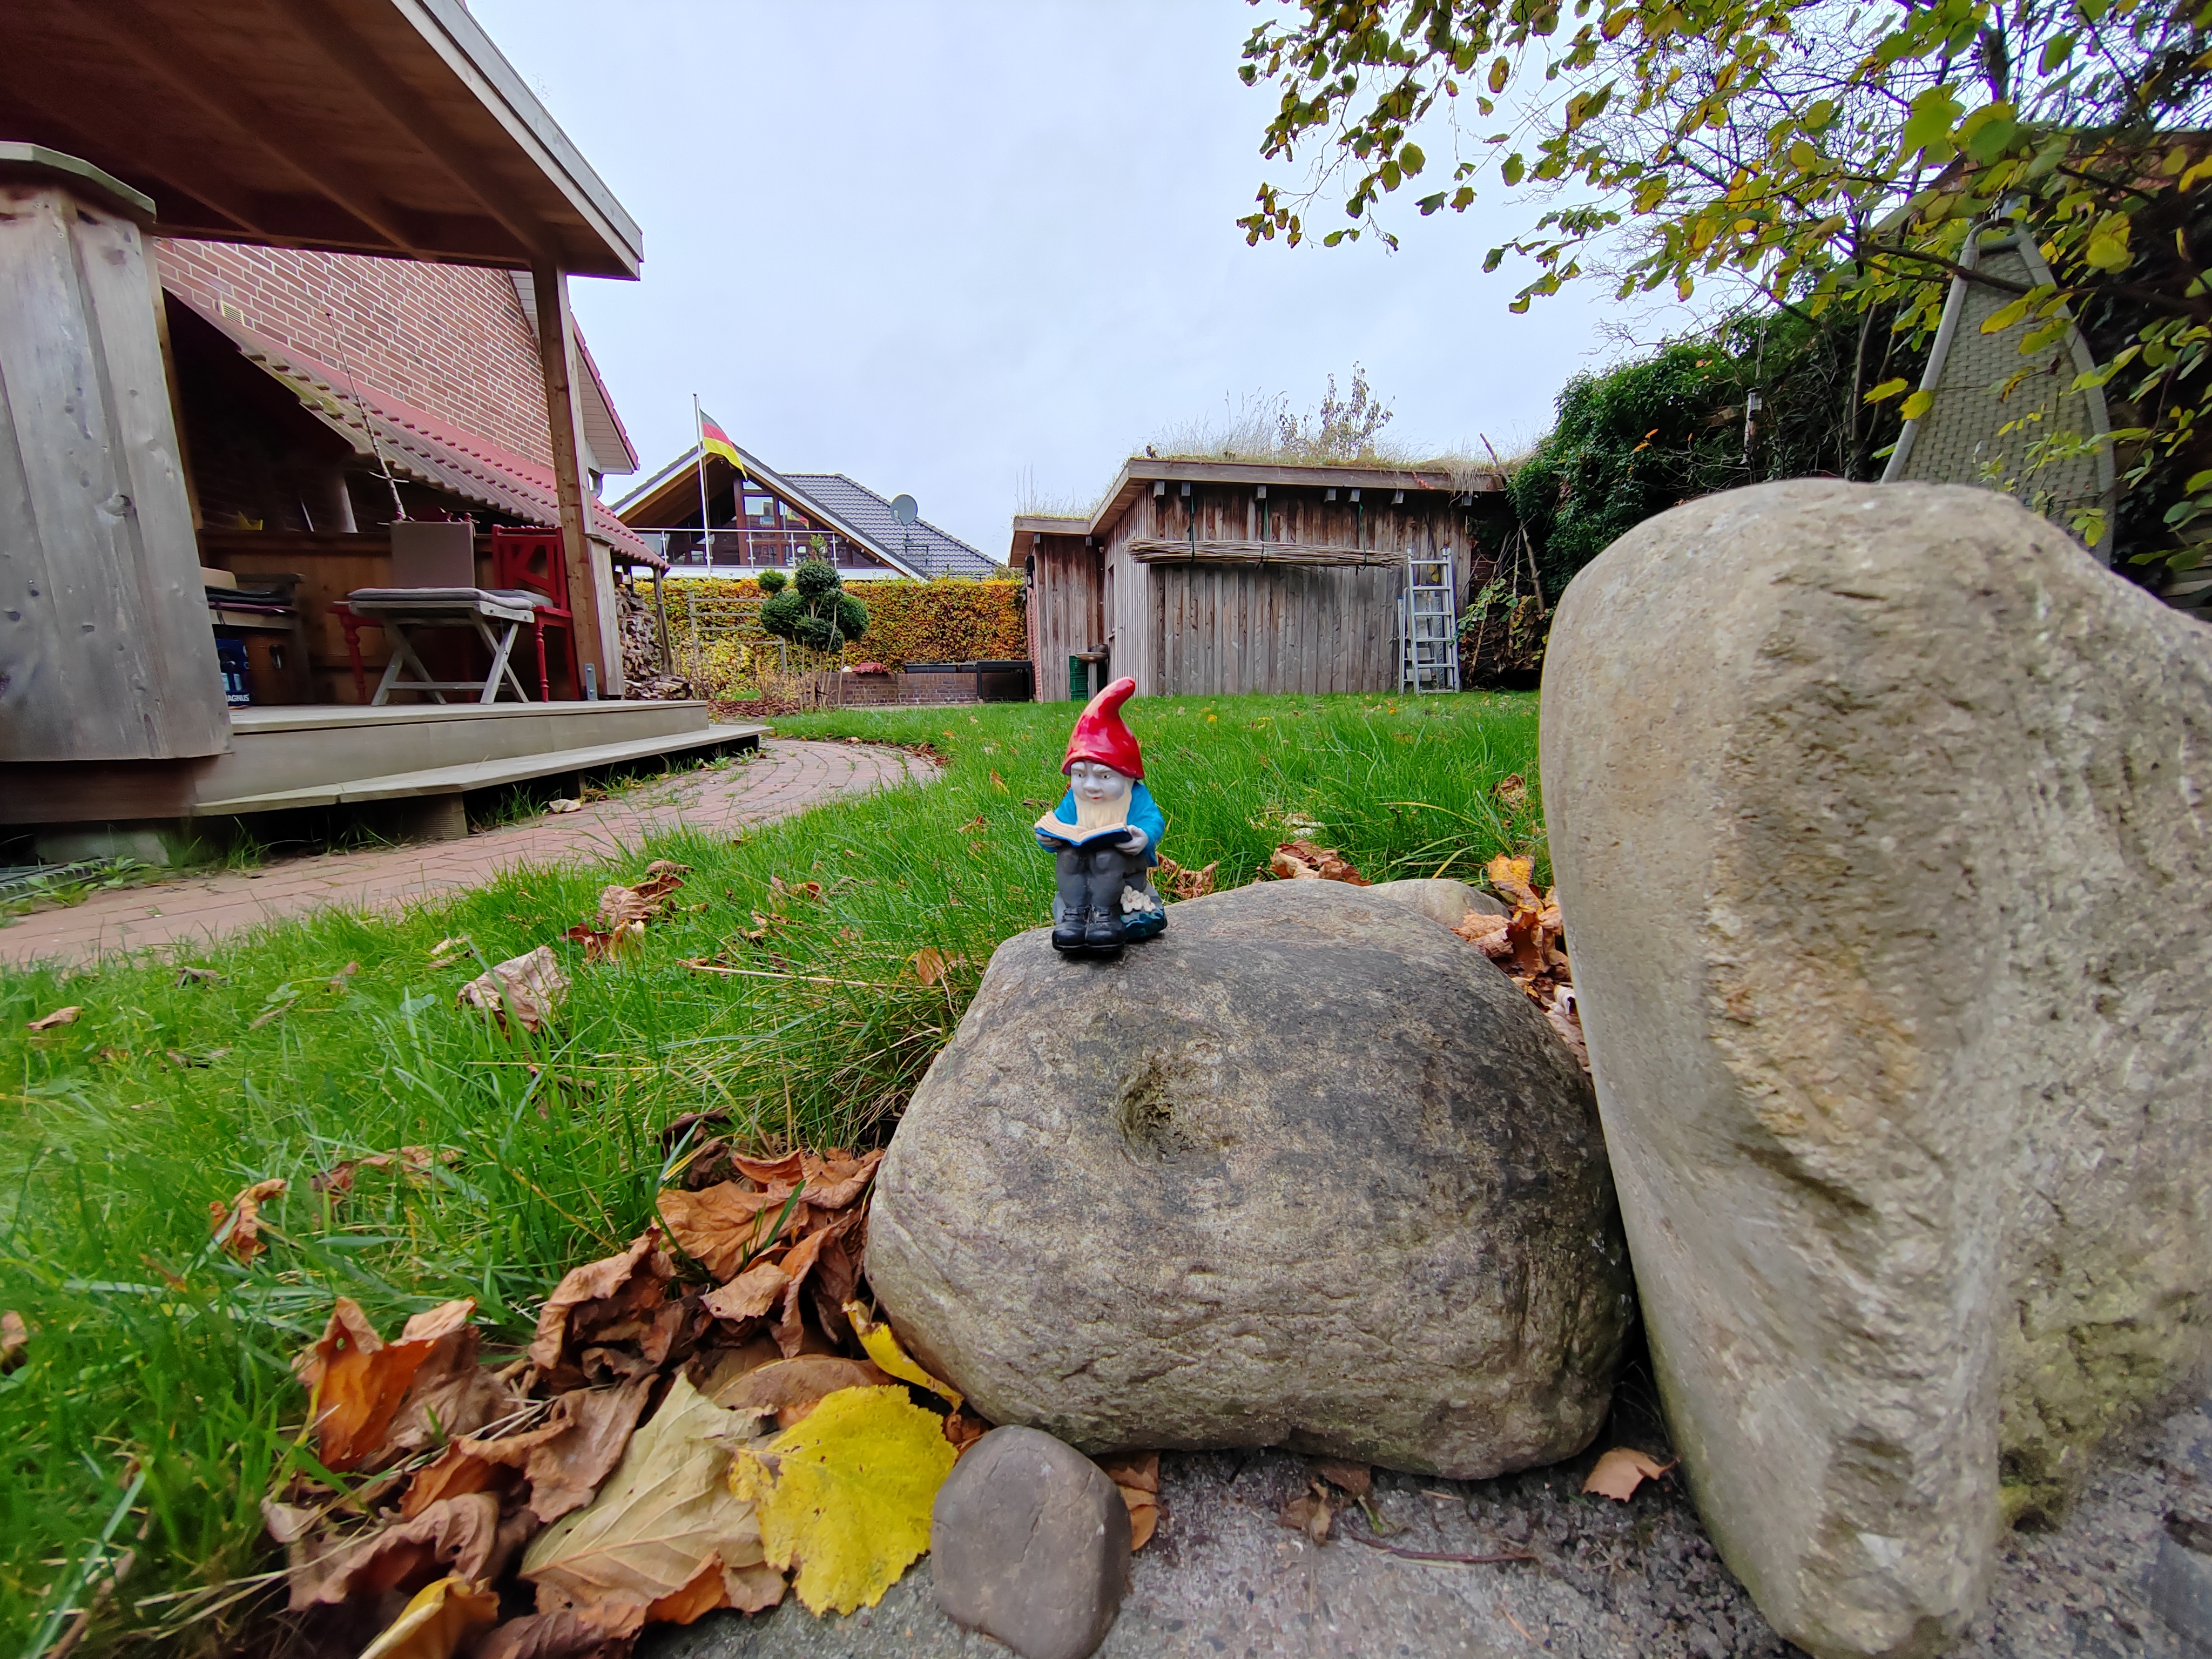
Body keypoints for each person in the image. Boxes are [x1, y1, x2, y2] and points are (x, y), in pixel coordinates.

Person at [1035, 677, 1167, 952]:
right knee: (1068, 856)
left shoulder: (1134, 796)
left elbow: (1153, 820)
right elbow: (1060, 824)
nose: (1091, 786)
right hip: (1081, 868)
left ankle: (1105, 915)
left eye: (1104, 776)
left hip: (1125, 871)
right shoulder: (1076, 800)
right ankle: (1074, 914)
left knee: (1108, 856)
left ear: (1127, 776)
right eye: (1080, 775)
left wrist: (1144, 837)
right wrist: (1049, 837)